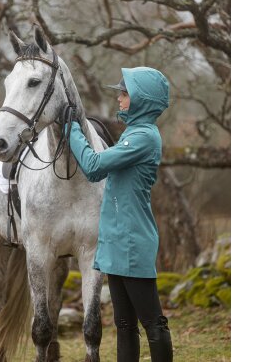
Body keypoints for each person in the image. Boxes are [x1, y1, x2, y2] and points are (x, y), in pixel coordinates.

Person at [65, 66, 173, 362]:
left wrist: (73, 128)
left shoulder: (143, 138)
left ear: (141, 99)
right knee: (124, 324)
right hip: (115, 239)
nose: (119, 99)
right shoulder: (133, 134)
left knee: (152, 321)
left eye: (124, 94)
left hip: (132, 240)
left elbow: (93, 165)